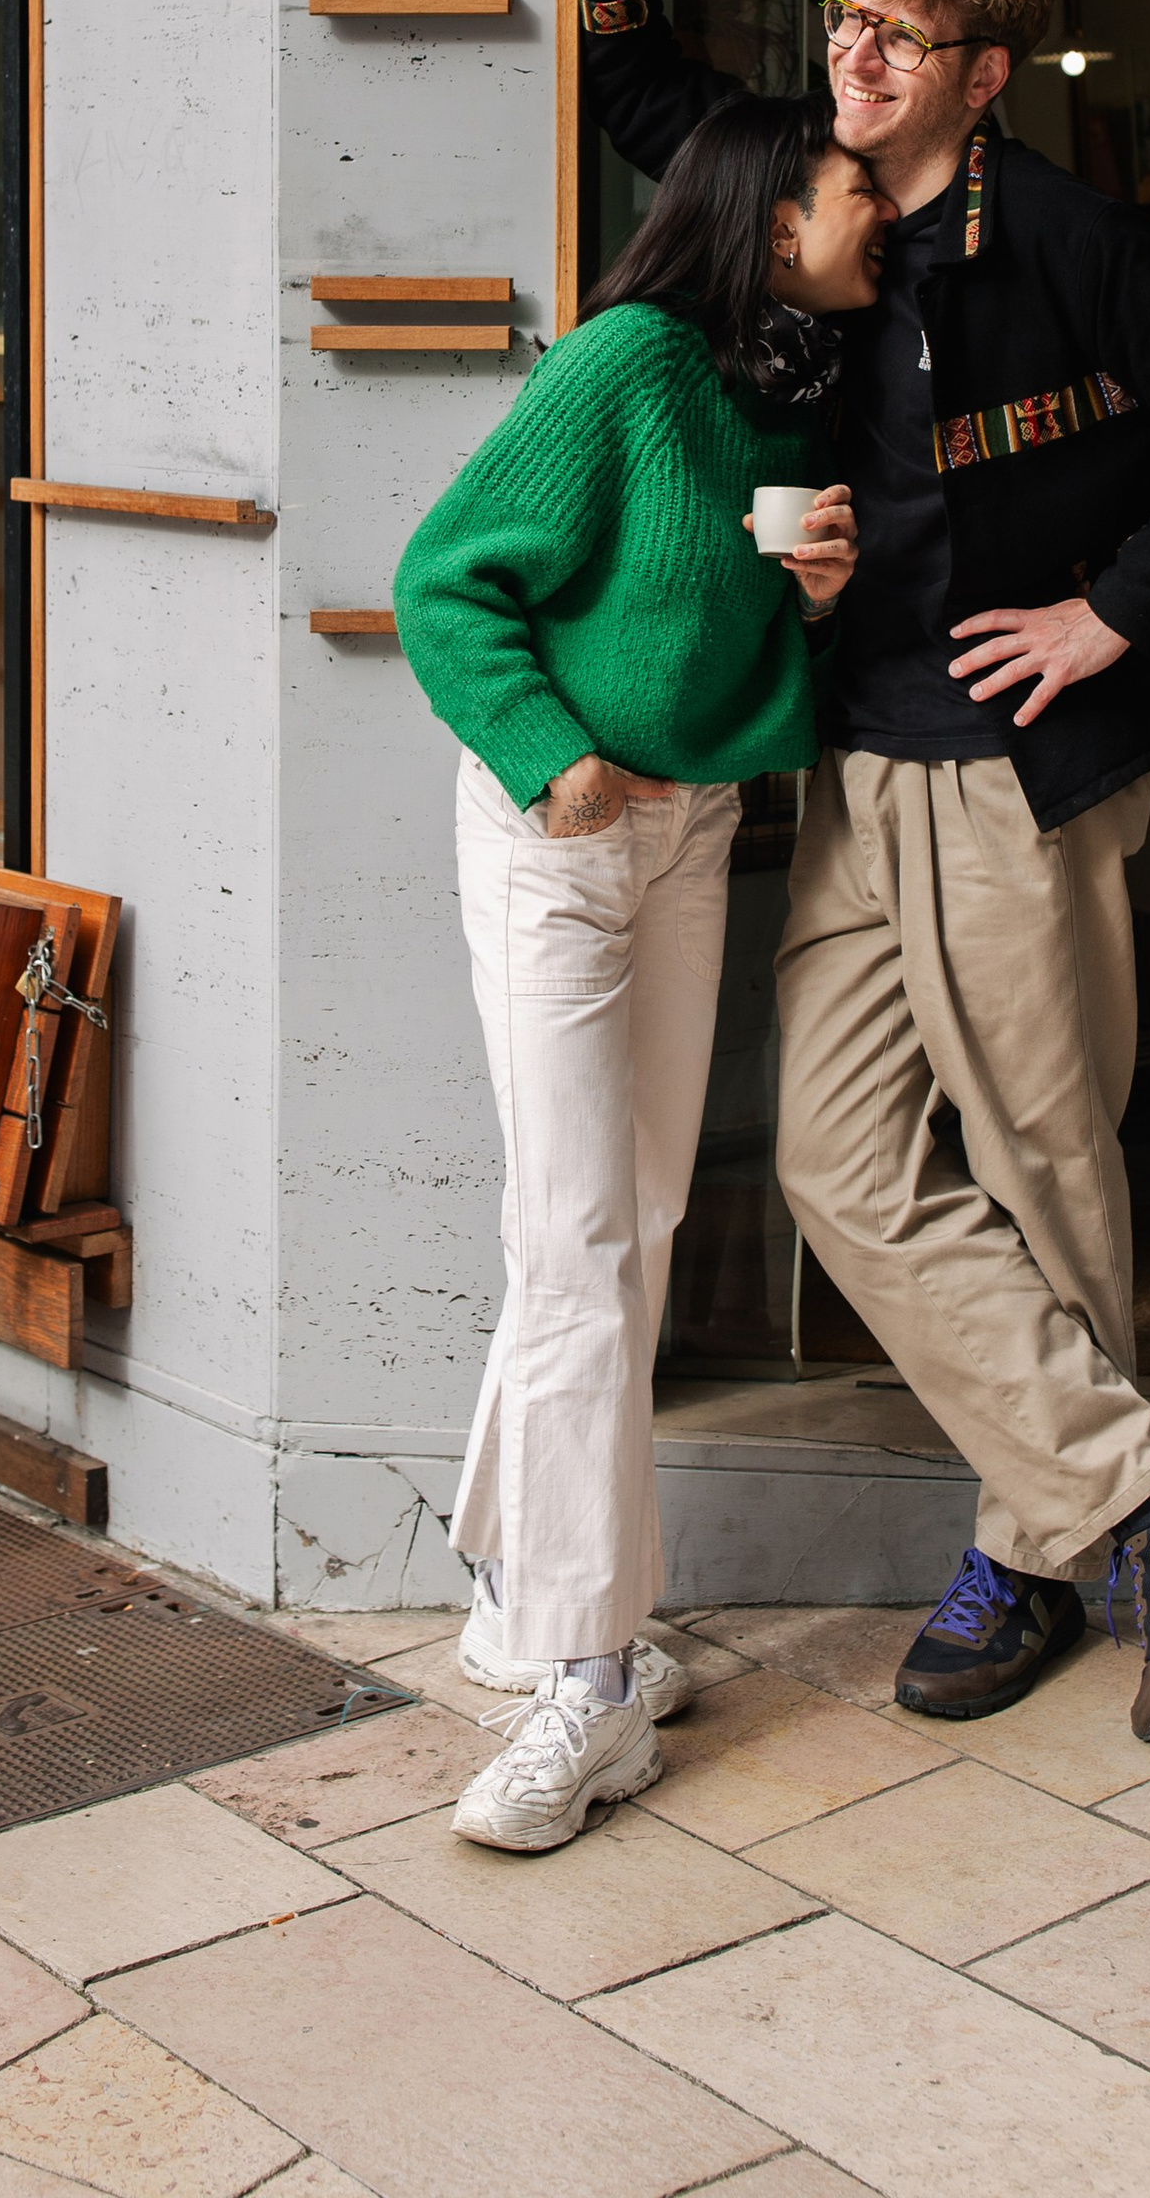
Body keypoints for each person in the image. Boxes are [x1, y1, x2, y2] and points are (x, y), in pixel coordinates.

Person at [552, 0, 1150, 1742]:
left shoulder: (1068, 240)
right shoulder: (806, 199)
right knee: (833, 1160)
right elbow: (648, 92)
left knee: (1046, 1161)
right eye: (847, 17)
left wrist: (1113, 617)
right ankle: (1146, 1495)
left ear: (983, 75)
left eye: (900, 35)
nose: (857, 54)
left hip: (1017, 769)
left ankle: (1042, 1560)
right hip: (854, 764)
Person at [394, 92, 883, 1851]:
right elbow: (445, 585)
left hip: (684, 840)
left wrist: (810, 604)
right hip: (559, 834)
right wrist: (549, 756)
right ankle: (587, 1684)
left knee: (627, 1219)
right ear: (766, 218)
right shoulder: (618, 365)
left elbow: (705, 630)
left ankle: (518, 1573)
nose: (874, 212)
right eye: (848, 192)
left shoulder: (778, 388)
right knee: (584, 1238)